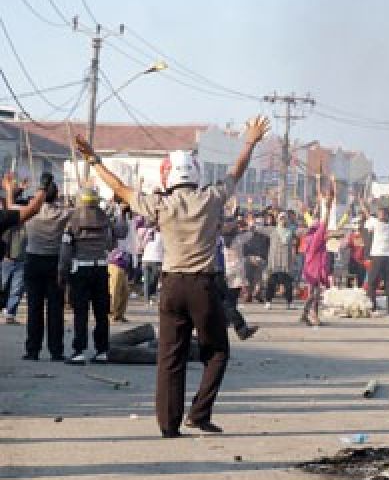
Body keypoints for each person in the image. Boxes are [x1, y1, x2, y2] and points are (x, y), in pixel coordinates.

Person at [74, 116, 271, 437]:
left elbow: (121, 189)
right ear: (197, 174)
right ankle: (199, 413)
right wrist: (249, 141)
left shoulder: (160, 204)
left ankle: (168, 425)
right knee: (217, 351)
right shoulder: (211, 198)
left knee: (170, 358)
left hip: (171, 285)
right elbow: (237, 171)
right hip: (203, 285)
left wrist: (93, 159)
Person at [59, 188, 127, 364]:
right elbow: (119, 235)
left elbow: (66, 250)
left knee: (81, 312)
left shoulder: (72, 220)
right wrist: (121, 213)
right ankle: (102, 350)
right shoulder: (105, 218)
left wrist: (63, 271)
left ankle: (79, 350)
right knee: (101, 312)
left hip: (80, 269)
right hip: (101, 269)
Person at [19, 173, 63, 360]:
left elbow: (13, 207)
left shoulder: (31, 212)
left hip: (33, 261)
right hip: (54, 262)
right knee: (55, 309)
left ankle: (32, 350)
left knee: (34, 308)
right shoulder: (62, 214)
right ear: (57, 195)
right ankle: (55, 350)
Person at [300, 178, 334, 327]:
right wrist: (328, 208)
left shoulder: (310, 237)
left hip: (312, 268)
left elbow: (324, 230)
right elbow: (324, 224)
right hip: (314, 269)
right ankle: (312, 315)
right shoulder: (316, 238)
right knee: (314, 295)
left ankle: (306, 315)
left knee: (314, 294)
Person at [362, 203, 389, 314]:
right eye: (379, 214)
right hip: (383, 257)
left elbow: (367, 215)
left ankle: (384, 307)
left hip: (383, 256)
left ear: (386, 215)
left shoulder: (380, 223)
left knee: (381, 283)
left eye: (381, 214)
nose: (379, 216)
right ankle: (379, 307)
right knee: (380, 282)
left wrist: (362, 203)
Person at [265, 210, 296, 309]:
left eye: (284, 218)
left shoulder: (291, 231)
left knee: (288, 284)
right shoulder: (273, 230)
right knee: (271, 283)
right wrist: (252, 226)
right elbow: (259, 229)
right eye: (281, 218)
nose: (283, 220)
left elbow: (303, 231)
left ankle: (289, 302)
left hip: (286, 262)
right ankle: (268, 301)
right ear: (278, 220)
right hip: (274, 261)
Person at [2, 199, 27, 324]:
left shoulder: (29, 224)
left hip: (21, 260)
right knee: (3, 286)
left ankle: (10, 314)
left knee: (16, 289)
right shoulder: (8, 222)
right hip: (7, 260)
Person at [140, 223, 164, 303]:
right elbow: (141, 247)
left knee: (150, 280)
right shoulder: (150, 233)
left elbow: (142, 246)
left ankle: (149, 297)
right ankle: (148, 297)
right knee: (150, 280)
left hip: (152, 260)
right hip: (151, 260)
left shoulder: (161, 235)